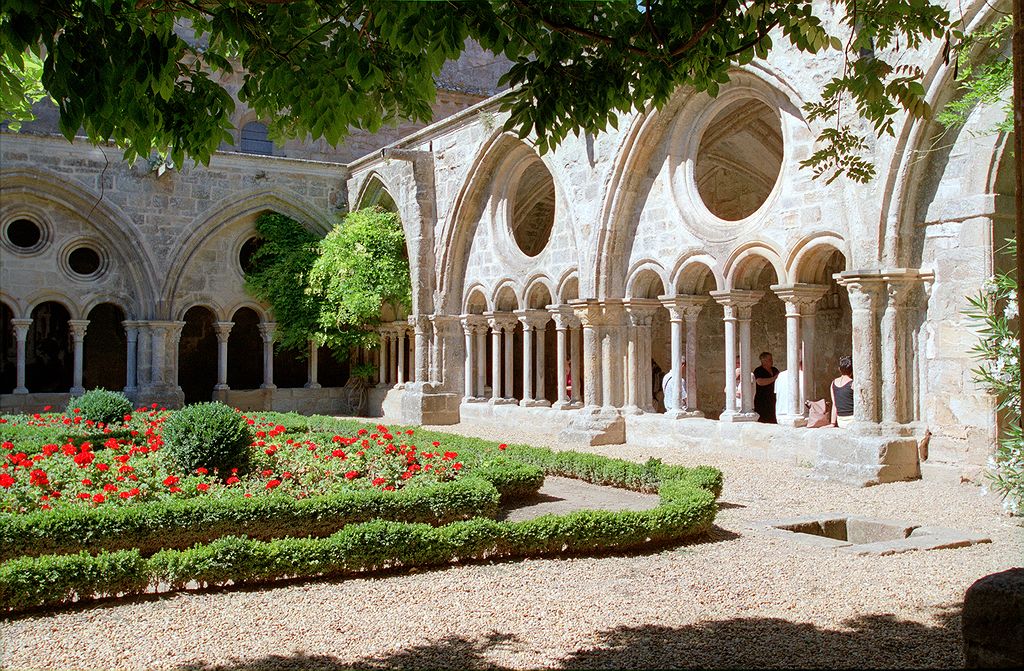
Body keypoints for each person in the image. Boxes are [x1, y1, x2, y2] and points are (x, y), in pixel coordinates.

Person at [753, 351, 780, 424]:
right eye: (769, 359)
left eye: (771, 359)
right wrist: (774, 378)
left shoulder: (775, 370)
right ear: (763, 361)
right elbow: (760, 382)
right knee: (763, 419)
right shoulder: (758, 370)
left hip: (774, 398)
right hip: (762, 400)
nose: (772, 361)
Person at [830, 355, 854, 428]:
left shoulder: (833, 383)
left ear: (839, 369)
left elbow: (834, 405)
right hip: (852, 421)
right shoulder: (853, 384)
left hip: (840, 421)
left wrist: (832, 423)